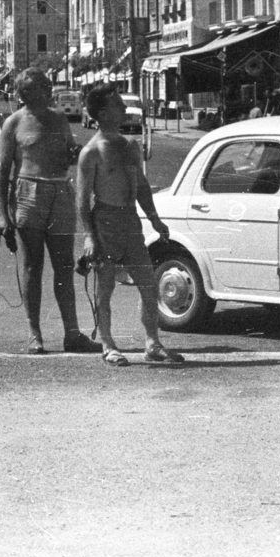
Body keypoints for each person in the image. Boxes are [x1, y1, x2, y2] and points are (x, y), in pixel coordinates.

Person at [76, 84, 183, 367]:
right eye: (117, 104)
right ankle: (108, 344)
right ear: (101, 113)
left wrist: (155, 219)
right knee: (105, 288)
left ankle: (153, 343)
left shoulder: (129, 146)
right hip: (105, 222)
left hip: (130, 222)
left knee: (148, 285)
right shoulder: (92, 152)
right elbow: (82, 199)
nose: (124, 108)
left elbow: (143, 188)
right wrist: (89, 236)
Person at [0, 68, 95, 354]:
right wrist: (3, 215)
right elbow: (2, 174)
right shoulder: (13, 124)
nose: (49, 88)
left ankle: (72, 333)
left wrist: (79, 153)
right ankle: (34, 333)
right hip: (28, 195)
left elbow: (69, 152)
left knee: (64, 265)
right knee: (32, 266)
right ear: (26, 92)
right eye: (42, 85)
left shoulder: (60, 118)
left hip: (60, 191)